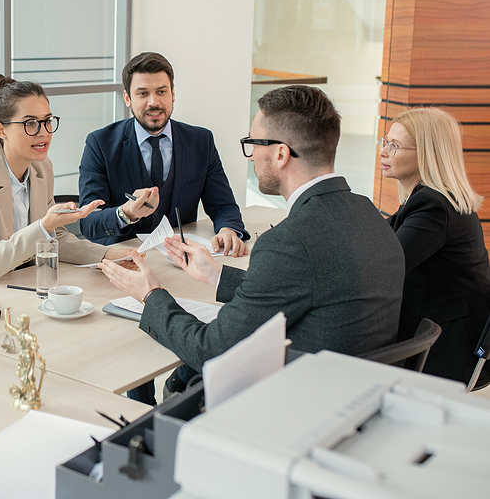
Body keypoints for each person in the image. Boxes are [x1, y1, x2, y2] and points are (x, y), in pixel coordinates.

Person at [100, 85, 405, 396]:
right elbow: (301, 285)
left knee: (183, 381)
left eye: (252, 143)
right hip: (359, 395)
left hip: (296, 404)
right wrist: (217, 275)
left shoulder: (289, 242)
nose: (250, 157)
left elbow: (212, 351)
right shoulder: (368, 213)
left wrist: (151, 295)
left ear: (280, 153)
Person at [0, 75, 132, 292]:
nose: (43, 132)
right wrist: (44, 225)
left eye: (47, 121)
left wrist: (106, 255)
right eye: (30, 123)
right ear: (1, 130)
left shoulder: (41, 168)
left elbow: (55, 237)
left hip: (15, 289)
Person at [78, 52, 249, 255]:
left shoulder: (200, 141)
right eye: (143, 94)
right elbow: (88, 223)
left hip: (182, 261)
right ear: (127, 98)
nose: (154, 102)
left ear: (173, 94)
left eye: (161, 92)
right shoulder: (99, 144)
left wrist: (228, 229)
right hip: (124, 260)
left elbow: (223, 205)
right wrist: (127, 212)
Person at [379, 107, 490, 385]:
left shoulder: (434, 205)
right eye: (385, 142)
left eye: (394, 146)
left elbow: (385, 265)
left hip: (451, 344)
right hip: (441, 325)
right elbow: (381, 238)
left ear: (426, 154)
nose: (383, 152)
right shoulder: (424, 198)